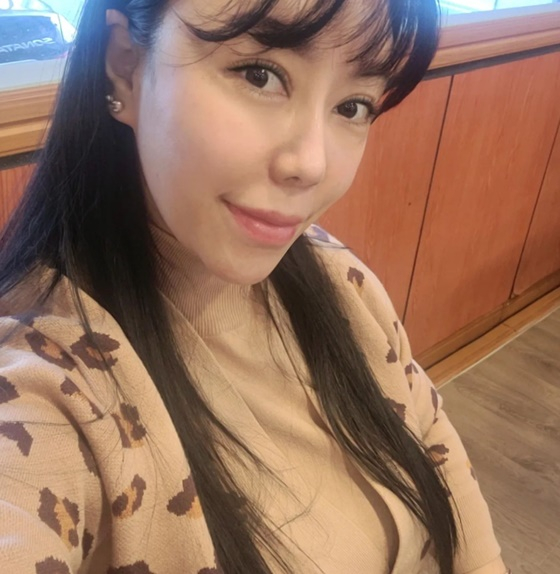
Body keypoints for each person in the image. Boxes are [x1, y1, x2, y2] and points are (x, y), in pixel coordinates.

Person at [0, 0, 511, 572]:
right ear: (125, 64)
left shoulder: (339, 280)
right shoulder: (46, 390)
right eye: (260, 74)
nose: (312, 164)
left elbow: (442, 468)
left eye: (352, 106)